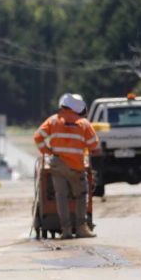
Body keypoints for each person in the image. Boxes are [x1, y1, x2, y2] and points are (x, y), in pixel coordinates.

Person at [34, 93, 99, 239]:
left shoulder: (53, 121)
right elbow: (94, 144)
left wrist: (47, 150)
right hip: (76, 166)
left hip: (57, 164)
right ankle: (81, 228)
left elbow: (38, 137)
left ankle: (66, 230)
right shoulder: (83, 123)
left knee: (61, 197)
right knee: (81, 196)